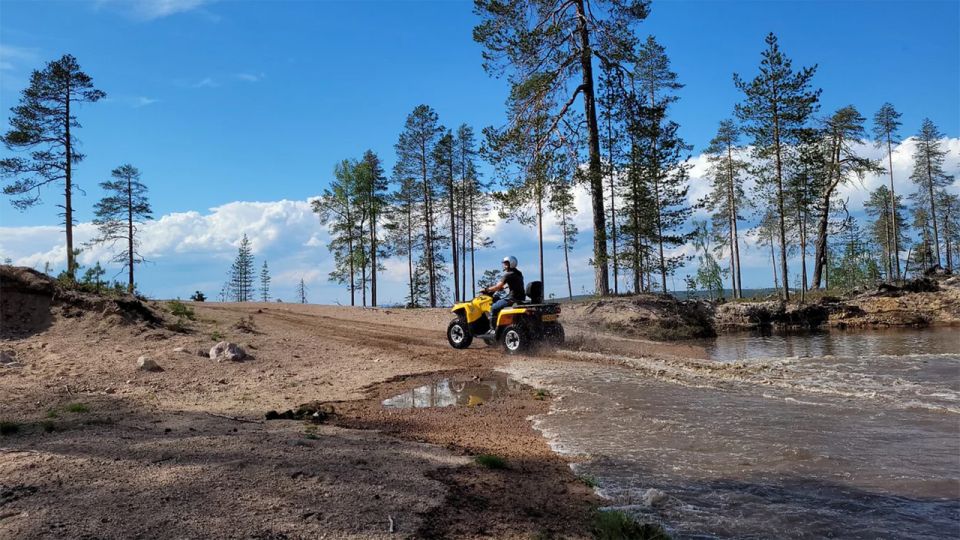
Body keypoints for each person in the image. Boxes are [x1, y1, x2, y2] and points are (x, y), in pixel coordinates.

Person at [480, 256, 525, 333]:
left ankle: (493, 330)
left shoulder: (508, 275)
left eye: (505, 264)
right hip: (521, 298)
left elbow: (497, 286)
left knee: (493, 308)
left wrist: (486, 289)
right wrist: (504, 287)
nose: (504, 265)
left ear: (511, 264)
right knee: (499, 302)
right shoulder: (519, 273)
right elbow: (515, 284)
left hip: (512, 298)